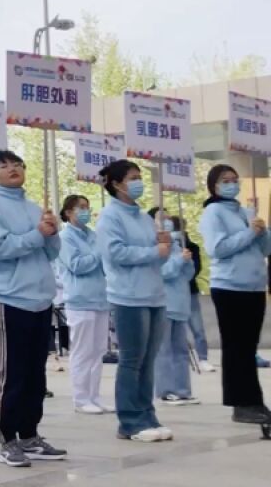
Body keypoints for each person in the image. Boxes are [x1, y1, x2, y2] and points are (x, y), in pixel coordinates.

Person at [0, 150, 67, 468]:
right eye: (3, 165)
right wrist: (36, 235)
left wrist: (52, 232)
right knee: (10, 372)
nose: (12, 169)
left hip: (40, 299)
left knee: (34, 375)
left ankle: (30, 434)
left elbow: (52, 252)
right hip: (8, 299)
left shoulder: (34, 207)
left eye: (17, 164)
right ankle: (7, 438)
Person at [95, 159, 173, 442]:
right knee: (131, 360)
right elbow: (116, 254)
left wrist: (165, 247)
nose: (138, 182)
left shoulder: (142, 217)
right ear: (117, 184)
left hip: (153, 294)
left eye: (139, 176)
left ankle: (147, 415)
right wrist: (154, 252)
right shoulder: (109, 217)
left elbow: (156, 256)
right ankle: (129, 421)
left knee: (148, 360)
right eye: (133, 177)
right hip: (128, 296)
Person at [199, 164, 271, 425]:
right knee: (235, 348)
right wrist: (250, 232)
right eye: (225, 180)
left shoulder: (244, 211)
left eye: (234, 179)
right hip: (229, 287)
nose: (232, 184)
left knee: (248, 348)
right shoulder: (213, 213)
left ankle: (253, 400)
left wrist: (263, 232)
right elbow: (218, 248)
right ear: (214, 186)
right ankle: (241, 403)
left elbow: (263, 249)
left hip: (253, 287)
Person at [56, 195, 111, 415]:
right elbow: (77, 265)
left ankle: (94, 397)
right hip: (79, 300)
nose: (85, 211)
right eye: (80, 208)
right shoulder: (65, 237)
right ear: (68, 212)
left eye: (87, 208)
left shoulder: (94, 236)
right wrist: (99, 253)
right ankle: (81, 399)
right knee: (82, 351)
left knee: (98, 350)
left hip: (100, 298)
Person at [148, 208, 198, 406]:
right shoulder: (155, 245)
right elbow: (162, 272)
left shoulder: (177, 244)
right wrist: (178, 261)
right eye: (162, 218)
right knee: (164, 350)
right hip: (164, 302)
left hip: (180, 303)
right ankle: (165, 390)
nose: (168, 221)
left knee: (181, 349)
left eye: (169, 218)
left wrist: (187, 262)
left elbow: (186, 275)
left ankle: (183, 390)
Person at [179, 219, 215, 373]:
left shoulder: (192, 247)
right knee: (177, 330)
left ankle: (203, 358)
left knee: (197, 327)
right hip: (172, 294)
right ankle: (182, 358)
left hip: (190, 291)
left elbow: (196, 269)